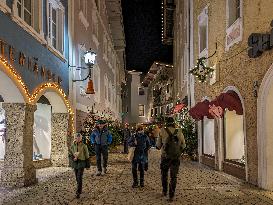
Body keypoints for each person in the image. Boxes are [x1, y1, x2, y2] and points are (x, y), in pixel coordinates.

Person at [156, 117, 186, 202]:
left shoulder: (162, 131)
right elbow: (184, 146)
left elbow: (158, 146)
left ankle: (164, 191)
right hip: (175, 157)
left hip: (165, 157)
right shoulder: (179, 131)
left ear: (166, 123)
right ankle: (171, 195)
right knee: (173, 176)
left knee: (164, 174)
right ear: (174, 123)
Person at [69, 133, 90, 199]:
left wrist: (87, 165)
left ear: (81, 138)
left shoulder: (84, 146)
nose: (77, 139)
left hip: (81, 163)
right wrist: (73, 158)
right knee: (76, 177)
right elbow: (70, 154)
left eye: (78, 138)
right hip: (75, 163)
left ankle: (78, 192)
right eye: (76, 138)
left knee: (79, 177)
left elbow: (87, 155)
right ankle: (79, 187)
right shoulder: (72, 146)